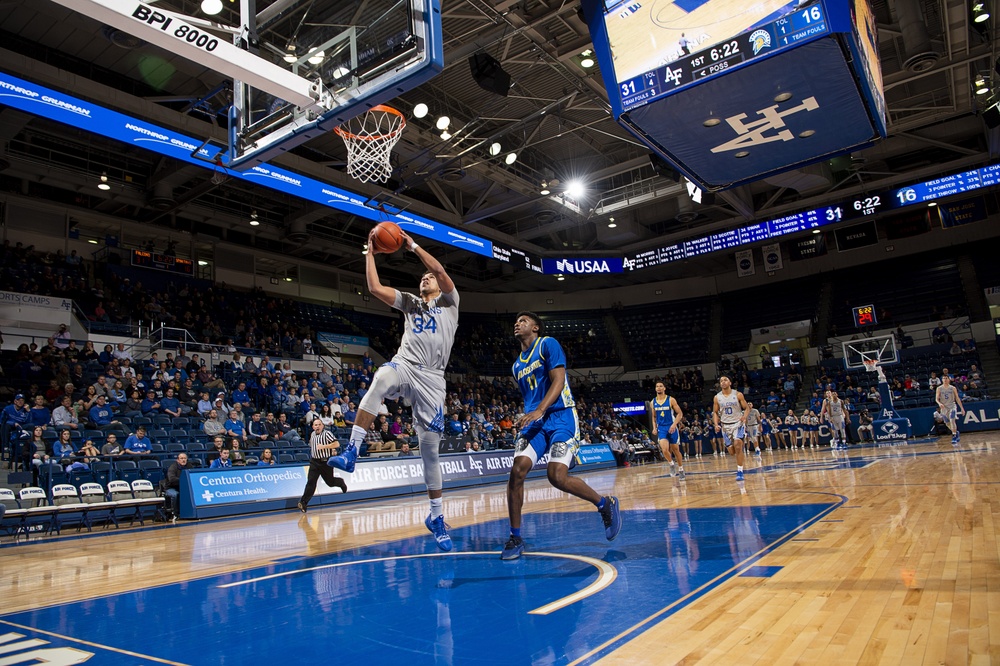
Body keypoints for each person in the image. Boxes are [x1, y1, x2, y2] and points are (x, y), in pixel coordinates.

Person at [328, 226, 459, 552]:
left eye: (428, 277)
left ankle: (436, 517)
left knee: (430, 452)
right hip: (407, 365)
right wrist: (370, 253)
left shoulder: (451, 303)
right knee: (381, 379)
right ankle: (352, 451)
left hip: (433, 379)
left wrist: (412, 245)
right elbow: (374, 287)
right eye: (423, 278)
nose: (425, 279)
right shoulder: (411, 303)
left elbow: (441, 270)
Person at [500, 312, 621, 561]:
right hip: (536, 421)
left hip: (561, 416)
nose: (517, 323)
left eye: (523, 321)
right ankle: (515, 537)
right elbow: (531, 396)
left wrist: (540, 410)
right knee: (517, 471)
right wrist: (529, 415)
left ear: (535, 328)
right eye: (516, 321)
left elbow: (559, 380)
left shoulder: (547, 344)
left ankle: (605, 504)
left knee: (556, 476)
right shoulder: (516, 366)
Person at [298, 418, 347, 512]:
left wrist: (325, 447)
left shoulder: (327, 433)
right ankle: (303, 503)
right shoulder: (312, 434)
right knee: (311, 483)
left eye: (319, 424)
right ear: (313, 427)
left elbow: (336, 444)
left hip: (325, 462)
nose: (318, 426)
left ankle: (340, 482)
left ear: (323, 426)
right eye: (315, 425)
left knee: (330, 482)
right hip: (314, 462)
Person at [712, 376, 748, 480]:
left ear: (730, 382)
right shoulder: (717, 397)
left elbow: (746, 408)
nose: (723, 382)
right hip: (725, 425)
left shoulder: (737, 394)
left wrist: (744, 417)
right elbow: (715, 412)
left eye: (725, 380)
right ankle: (740, 451)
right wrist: (716, 424)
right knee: (732, 452)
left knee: (737, 445)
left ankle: (740, 471)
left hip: (737, 423)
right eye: (721, 381)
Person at [650, 381, 684, 478]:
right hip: (661, 428)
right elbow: (654, 417)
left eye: (661, 386)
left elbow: (680, 414)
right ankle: (671, 464)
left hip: (671, 426)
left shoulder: (671, 400)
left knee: (676, 450)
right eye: (657, 386)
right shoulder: (653, 402)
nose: (659, 388)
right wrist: (654, 428)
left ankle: (681, 469)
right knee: (664, 450)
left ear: (664, 388)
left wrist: (674, 425)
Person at [935, 375, 965, 446]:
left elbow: (957, 398)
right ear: (942, 380)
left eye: (946, 378)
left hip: (952, 406)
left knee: (952, 420)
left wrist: (962, 408)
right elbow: (936, 399)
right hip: (944, 408)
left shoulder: (953, 388)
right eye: (943, 378)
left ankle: (954, 436)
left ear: (949, 379)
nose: (945, 379)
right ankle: (956, 432)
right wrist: (939, 404)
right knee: (947, 423)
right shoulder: (939, 388)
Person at [161, 452, 189, 518]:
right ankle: (175, 513)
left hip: (182, 487)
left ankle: (186, 512)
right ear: (177, 460)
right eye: (181, 458)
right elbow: (171, 479)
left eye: (185, 458)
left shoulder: (189, 466)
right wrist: (183, 480)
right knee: (175, 494)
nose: (183, 460)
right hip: (170, 487)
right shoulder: (173, 467)